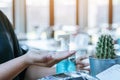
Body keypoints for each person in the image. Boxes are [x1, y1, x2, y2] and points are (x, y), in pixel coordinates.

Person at [0, 10, 89, 80]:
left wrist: (65, 70)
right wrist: (25, 60)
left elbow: (23, 73)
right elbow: (24, 62)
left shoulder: (2, 18)